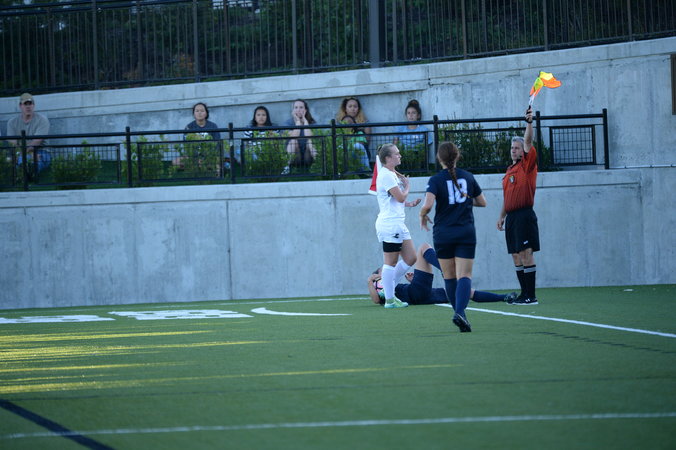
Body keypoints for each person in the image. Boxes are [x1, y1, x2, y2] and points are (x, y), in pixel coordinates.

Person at [419, 142, 486, 332]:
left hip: (443, 233)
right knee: (465, 275)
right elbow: (482, 202)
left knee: (449, 276)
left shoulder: (435, 180)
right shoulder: (468, 177)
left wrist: (422, 215)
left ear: (439, 158)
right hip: (465, 232)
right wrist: (464, 202)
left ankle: (459, 314)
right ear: (457, 156)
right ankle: (460, 313)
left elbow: (428, 205)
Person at [368, 243, 517, 306]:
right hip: (416, 293)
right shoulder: (380, 285)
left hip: (426, 296)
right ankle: (446, 269)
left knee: (466, 292)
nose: (388, 269)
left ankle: (503, 297)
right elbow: (376, 300)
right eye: (383, 270)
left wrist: (413, 281)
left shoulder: (392, 285)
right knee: (423, 247)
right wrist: (369, 281)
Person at [496, 106, 540, 305]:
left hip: (524, 215)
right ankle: (524, 294)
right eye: (512, 147)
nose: (513, 150)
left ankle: (531, 295)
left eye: (517, 147)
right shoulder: (509, 171)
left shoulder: (526, 165)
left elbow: (528, 141)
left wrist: (529, 123)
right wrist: (501, 216)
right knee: (515, 256)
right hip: (512, 217)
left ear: (523, 151)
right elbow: (508, 197)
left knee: (525, 253)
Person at [375, 143, 421, 309]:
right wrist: (407, 186)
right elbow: (400, 197)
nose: (400, 156)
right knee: (390, 262)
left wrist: (409, 204)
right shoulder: (386, 175)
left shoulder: (391, 174)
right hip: (390, 224)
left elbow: (395, 200)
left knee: (411, 258)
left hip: (397, 223)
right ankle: (389, 299)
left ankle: (387, 289)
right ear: (388, 158)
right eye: (396, 154)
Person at [7, 93, 51, 173]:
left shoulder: (42, 120)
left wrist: (26, 154)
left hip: (40, 152)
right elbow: (12, 143)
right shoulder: (12, 122)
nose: (28, 106)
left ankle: (26, 172)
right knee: (17, 160)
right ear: (20, 106)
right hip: (20, 153)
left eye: (30, 103)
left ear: (33, 105)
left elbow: (37, 142)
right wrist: (22, 154)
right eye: (25, 104)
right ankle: (25, 172)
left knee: (31, 163)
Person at [284, 99, 317, 170]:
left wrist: (305, 122)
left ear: (305, 110)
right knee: (293, 140)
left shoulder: (312, 122)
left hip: (307, 155)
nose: (298, 110)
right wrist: (298, 122)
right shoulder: (288, 123)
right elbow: (294, 135)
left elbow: (309, 136)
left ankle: (317, 165)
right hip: (296, 155)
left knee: (310, 141)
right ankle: (287, 168)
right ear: (293, 110)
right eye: (296, 107)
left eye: (301, 107)